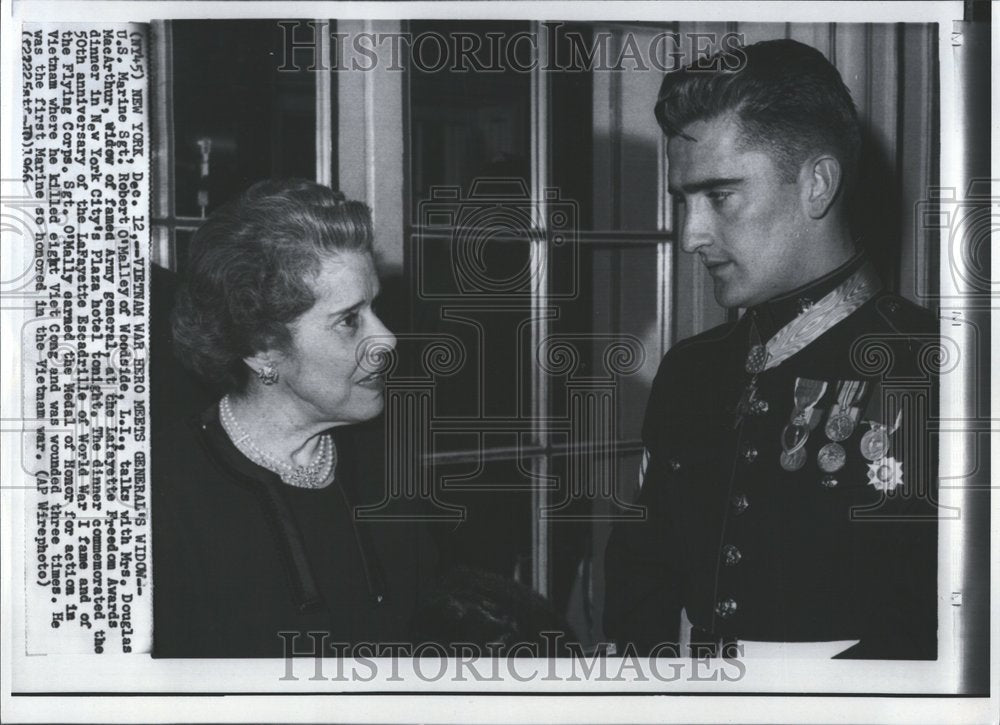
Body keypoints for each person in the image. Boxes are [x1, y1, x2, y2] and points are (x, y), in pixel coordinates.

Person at [604, 39, 938, 660]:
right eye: (683, 201)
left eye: (720, 196)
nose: (690, 236)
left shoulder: (941, 373)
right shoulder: (689, 371)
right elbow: (640, 585)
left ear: (816, 184)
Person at [152, 179, 437, 657]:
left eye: (375, 307)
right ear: (262, 348)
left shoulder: (388, 465)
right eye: (350, 320)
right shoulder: (161, 496)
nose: (386, 339)